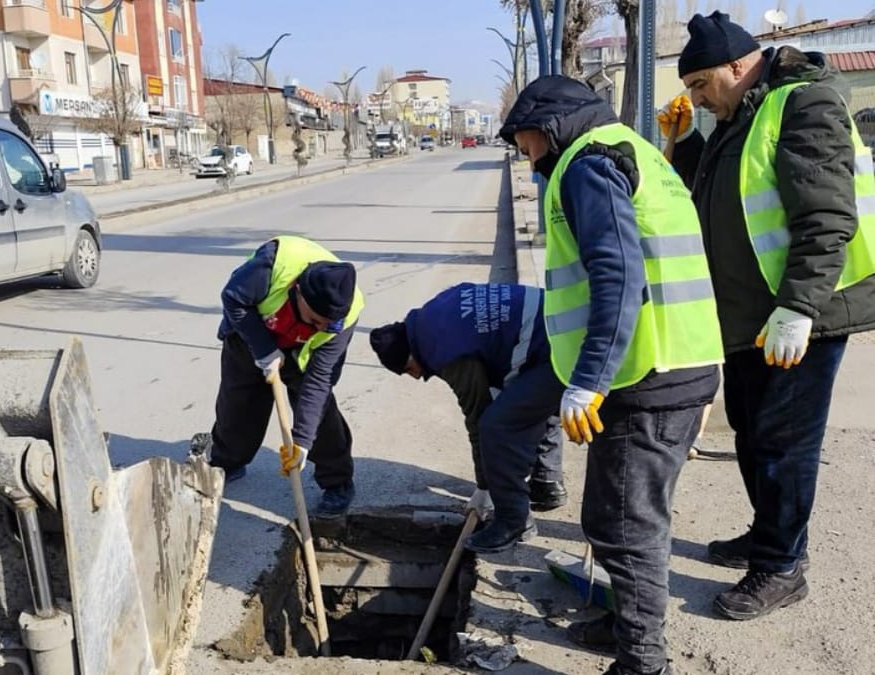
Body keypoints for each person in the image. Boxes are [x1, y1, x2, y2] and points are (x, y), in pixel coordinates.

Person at [501, 75, 724, 675]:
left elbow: (618, 276)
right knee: (616, 513)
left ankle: (642, 661)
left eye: (526, 150)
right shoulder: (629, 148)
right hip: (670, 364)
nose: (528, 164)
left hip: (646, 374)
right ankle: (624, 624)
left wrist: (589, 378)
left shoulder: (588, 166)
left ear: (547, 127)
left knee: (626, 524)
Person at [658, 11, 875, 620]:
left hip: (801, 315)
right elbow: (724, 196)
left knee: (783, 443)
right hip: (749, 317)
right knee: (752, 433)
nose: (697, 98)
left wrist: (798, 307)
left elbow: (827, 218)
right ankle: (767, 533)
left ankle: (782, 566)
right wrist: (689, 144)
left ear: (736, 65)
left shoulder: (803, 105)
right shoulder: (742, 113)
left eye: (701, 85)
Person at [368, 282, 567, 542]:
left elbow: (478, 416)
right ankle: (547, 483)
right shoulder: (434, 313)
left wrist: (485, 487)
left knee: (500, 425)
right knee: (538, 401)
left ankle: (515, 520)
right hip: (560, 318)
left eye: (408, 369)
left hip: (550, 343)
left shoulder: (445, 351)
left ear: (410, 353)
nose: (416, 377)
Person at [197, 235, 364, 518]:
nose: (319, 328)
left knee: (319, 413)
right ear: (297, 292)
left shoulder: (344, 318)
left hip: (302, 356)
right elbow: (233, 298)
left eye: (327, 325)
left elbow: (320, 380)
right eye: (314, 321)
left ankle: (337, 482)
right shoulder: (272, 266)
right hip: (251, 334)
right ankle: (228, 461)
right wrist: (264, 349)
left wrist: (301, 443)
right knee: (239, 405)